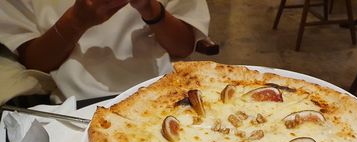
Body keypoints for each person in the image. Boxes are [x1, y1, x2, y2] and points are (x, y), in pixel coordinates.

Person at [0, 0, 210, 101]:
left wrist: (151, 9)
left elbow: (183, 47)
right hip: (75, 103)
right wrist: (77, 21)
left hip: (161, 92)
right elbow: (35, 62)